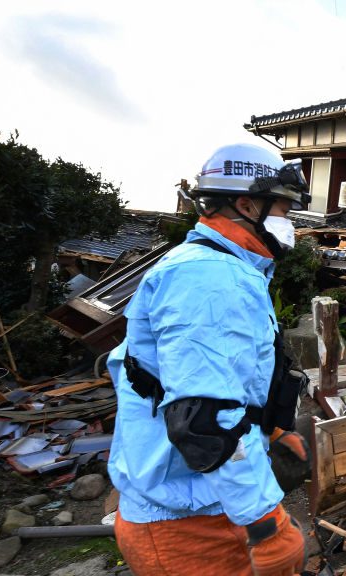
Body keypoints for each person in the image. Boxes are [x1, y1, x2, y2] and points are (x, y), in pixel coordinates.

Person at [106, 143, 311, 575]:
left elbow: (217, 381)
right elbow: (206, 420)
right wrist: (266, 524)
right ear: (246, 204)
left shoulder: (214, 267)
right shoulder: (211, 279)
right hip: (188, 527)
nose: (289, 222)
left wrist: (271, 433)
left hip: (203, 505)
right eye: (284, 209)